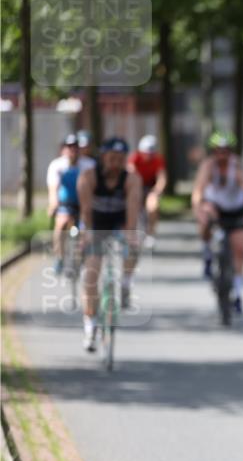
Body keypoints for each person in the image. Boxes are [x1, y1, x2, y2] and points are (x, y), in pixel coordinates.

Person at [77, 137, 142, 351]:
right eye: (112, 158)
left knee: (134, 246)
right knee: (91, 275)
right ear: (103, 157)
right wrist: (86, 234)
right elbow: (86, 210)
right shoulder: (89, 177)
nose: (115, 163)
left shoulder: (131, 179)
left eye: (120, 159)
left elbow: (132, 208)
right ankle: (90, 327)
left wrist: (131, 234)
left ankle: (125, 284)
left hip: (118, 222)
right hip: (95, 223)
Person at [191, 130, 243, 315]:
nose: (222, 155)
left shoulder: (236, 166)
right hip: (215, 208)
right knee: (205, 217)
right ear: (213, 151)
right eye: (218, 151)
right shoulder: (208, 166)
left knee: (240, 247)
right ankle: (207, 253)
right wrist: (198, 209)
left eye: (226, 151)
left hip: (236, 210)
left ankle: (237, 294)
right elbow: (198, 191)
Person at [46, 134, 94, 274]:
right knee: (61, 225)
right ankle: (59, 257)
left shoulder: (89, 164)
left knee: (85, 228)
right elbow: (53, 187)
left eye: (76, 147)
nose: (73, 150)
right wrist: (53, 204)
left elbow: (93, 187)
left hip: (84, 202)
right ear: (64, 149)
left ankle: (82, 256)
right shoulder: (57, 165)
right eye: (69, 147)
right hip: (65, 203)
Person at [127, 134, 167, 247]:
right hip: (137, 185)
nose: (148, 156)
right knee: (133, 206)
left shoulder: (158, 160)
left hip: (151, 187)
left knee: (152, 206)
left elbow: (162, 178)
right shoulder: (135, 158)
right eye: (145, 154)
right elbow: (131, 173)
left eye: (150, 154)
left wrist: (157, 191)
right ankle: (133, 231)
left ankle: (150, 233)